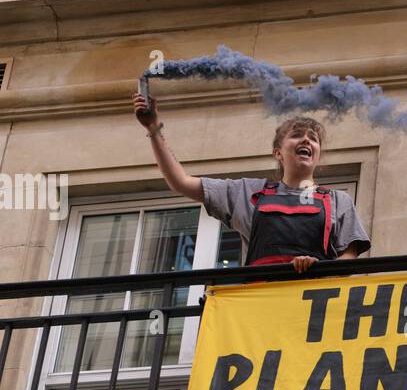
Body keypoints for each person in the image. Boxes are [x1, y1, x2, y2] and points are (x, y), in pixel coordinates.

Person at [132, 94, 370, 272]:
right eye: (297, 134)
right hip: (258, 304)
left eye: (313, 138)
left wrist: (316, 268)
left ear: (317, 153)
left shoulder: (339, 201)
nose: (306, 139)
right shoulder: (248, 192)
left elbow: (348, 257)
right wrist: (153, 128)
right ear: (278, 153)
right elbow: (181, 182)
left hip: (313, 303)